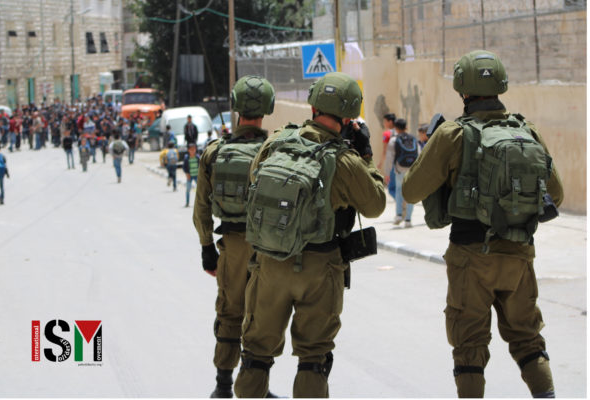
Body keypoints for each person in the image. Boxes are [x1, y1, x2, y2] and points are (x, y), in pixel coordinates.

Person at [402, 50, 563, 398]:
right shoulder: (527, 130)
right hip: (519, 253)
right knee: (528, 340)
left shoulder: (452, 134)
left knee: (469, 348)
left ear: (463, 89)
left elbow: (412, 191)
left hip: (471, 256)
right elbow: (557, 194)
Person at [233, 72, 386, 398]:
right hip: (320, 269)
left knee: (256, 355)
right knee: (313, 359)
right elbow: (375, 205)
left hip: (270, 264)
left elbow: (253, 183)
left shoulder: (275, 142)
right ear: (348, 117)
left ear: (314, 105)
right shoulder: (344, 160)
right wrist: (366, 155)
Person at [192, 75, 276, 398]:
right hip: (268, 248)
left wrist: (206, 248)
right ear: (268, 108)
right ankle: (256, 387)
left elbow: (200, 208)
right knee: (262, 317)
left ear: (236, 107)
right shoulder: (274, 151)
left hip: (232, 247)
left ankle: (223, 385)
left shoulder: (214, 152)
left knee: (229, 312)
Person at [384, 118, 418, 227]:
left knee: (399, 191)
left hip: (399, 169)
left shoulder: (394, 140)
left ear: (396, 128)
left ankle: (399, 214)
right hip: (412, 170)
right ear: (406, 127)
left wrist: (387, 172)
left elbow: (389, 158)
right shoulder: (413, 139)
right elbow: (419, 155)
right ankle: (408, 220)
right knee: (411, 193)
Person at [182, 142, 199, 207]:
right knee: (188, 190)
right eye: (191, 149)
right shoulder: (187, 158)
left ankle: (199, 202)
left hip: (197, 176)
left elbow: (200, 166)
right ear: (188, 150)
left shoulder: (197, 157)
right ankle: (187, 202)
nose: (193, 151)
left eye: (194, 149)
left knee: (200, 190)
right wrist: (187, 174)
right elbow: (184, 167)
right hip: (189, 176)